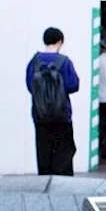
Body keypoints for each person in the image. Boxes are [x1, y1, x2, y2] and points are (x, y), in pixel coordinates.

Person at [27, 27, 81, 176]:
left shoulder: (34, 61)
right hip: (62, 114)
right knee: (63, 151)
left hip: (40, 114)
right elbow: (73, 85)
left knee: (44, 150)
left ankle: (45, 181)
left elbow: (30, 85)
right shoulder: (64, 61)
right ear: (60, 41)